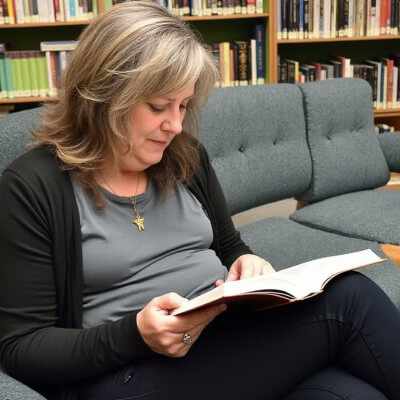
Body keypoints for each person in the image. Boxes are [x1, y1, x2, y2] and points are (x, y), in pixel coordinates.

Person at [0, 2, 399, 399]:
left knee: (353, 394)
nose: (174, 125)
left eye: (183, 105)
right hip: (126, 372)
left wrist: (248, 263)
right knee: (348, 300)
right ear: (103, 96)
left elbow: (229, 247)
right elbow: (21, 347)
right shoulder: (32, 186)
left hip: (222, 343)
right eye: (158, 106)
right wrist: (136, 334)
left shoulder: (183, 155)